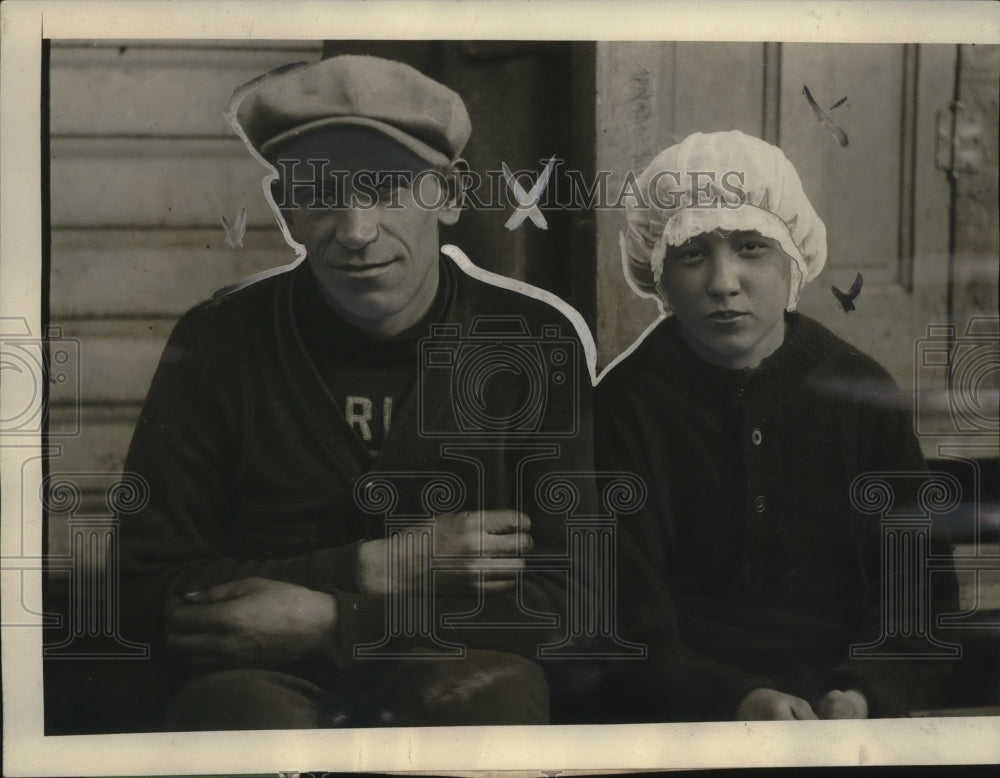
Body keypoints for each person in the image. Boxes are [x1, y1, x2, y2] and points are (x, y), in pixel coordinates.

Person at [117, 55, 596, 730]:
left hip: (457, 669)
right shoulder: (219, 341)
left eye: (388, 188)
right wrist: (373, 566)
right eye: (319, 192)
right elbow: (144, 588)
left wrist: (336, 619)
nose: (356, 231)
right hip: (261, 680)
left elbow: (575, 599)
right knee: (236, 717)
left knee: (491, 700)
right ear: (285, 208)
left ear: (450, 194)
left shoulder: (529, 342)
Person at [596, 130, 959, 721]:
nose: (722, 282)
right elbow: (619, 613)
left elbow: (917, 593)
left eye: (751, 247)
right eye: (692, 253)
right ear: (656, 273)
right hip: (684, 713)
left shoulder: (860, 395)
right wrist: (734, 699)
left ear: (794, 259)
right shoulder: (624, 408)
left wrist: (865, 691)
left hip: (844, 714)